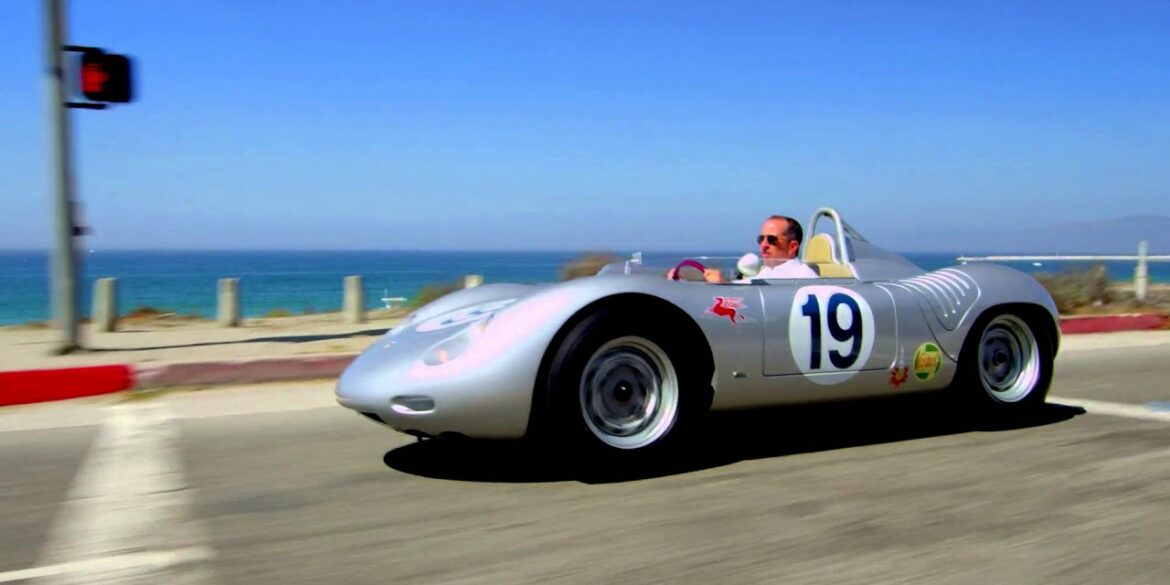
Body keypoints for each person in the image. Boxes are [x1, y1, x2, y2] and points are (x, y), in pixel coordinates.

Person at [667, 215, 819, 282]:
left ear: (792, 246)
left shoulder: (804, 277)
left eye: (771, 240)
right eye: (761, 239)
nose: (763, 245)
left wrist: (722, 286)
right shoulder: (767, 273)